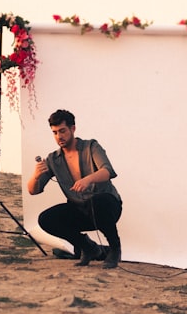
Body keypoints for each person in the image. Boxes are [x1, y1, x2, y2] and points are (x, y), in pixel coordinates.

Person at [27, 109, 122, 268]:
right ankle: (89, 247)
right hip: (80, 209)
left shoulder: (91, 146)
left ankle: (115, 249)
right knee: (45, 219)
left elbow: (107, 171)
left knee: (99, 201)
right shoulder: (53, 159)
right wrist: (36, 176)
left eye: (62, 131)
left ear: (73, 129)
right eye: (55, 132)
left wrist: (88, 179)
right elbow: (33, 190)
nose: (59, 136)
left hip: (107, 207)